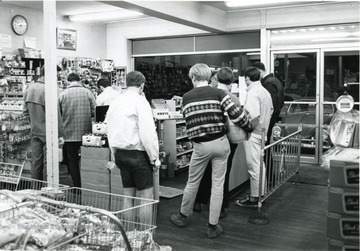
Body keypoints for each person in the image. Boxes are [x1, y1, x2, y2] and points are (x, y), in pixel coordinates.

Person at [170, 63, 253, 239]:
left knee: (192, 182)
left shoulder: (186, 97)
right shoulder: (219, 93)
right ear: (209, 77)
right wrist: (249, 128)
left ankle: (183, 216)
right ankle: (212, 226)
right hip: (221, 144)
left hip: (200, 147)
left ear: (193, 77)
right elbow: (237, 115)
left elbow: (188, 120)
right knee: (217, 185)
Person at [105, 70, 160, 223]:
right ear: (142, 86)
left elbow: (109, 129)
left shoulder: (115, 102)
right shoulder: (141, 102)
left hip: (120, 154)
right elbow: (148, 134)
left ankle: (129, 235)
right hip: (137, 156)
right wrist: (154, 158)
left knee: (128, 196)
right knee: (146, 198)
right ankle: (145, 237)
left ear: (126, 84)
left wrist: (114, 155)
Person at [193, 67, 241, 218]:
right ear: (232, 81)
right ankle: (220, 208)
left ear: (215, 79)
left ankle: (199, 202)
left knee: (205, 171)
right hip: (228, 140)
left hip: (208, 138)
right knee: (222, 176)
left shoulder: (209, 95)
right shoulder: (233, 98)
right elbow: (238, 119)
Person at [235, 66, 273, 207]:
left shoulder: (253, 92)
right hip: (263, 132)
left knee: (253, 167)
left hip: (254, 134)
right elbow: (270, 111)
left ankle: (254, 198)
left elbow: (253, 115)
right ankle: (261, 194)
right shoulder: (264, 91)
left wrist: (246, 127)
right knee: (259, 165)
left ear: (247, 78)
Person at [24, 66, 64, 180]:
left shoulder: (29, 89)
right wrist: (61, 134)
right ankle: (50, 188)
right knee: (51, 162)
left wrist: (33, 124)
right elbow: (56, 115)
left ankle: (35, 188)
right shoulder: (50, 90)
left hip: (35, 131)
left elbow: (25, 112)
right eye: (56, 75)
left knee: (36, 161)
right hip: (50, 132)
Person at [59, 73, 96, 188]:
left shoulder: (62, 95)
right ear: (79, 80)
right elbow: (95, 111)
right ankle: (89, 185)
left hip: (68, 133)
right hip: (86, 133)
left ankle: (77, 186)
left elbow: (59, 115)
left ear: (68, 81)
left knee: (72, 160)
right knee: (87, 158)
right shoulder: (88, 93)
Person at [252, 62, 284, 184]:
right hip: (272, 119)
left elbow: (270, 104)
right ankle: (269, 178)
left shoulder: (268, 83)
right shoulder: (275, 80)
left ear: (259, 71)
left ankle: (268, 178)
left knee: (264, 150)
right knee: (266, 148)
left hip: (267, 121)